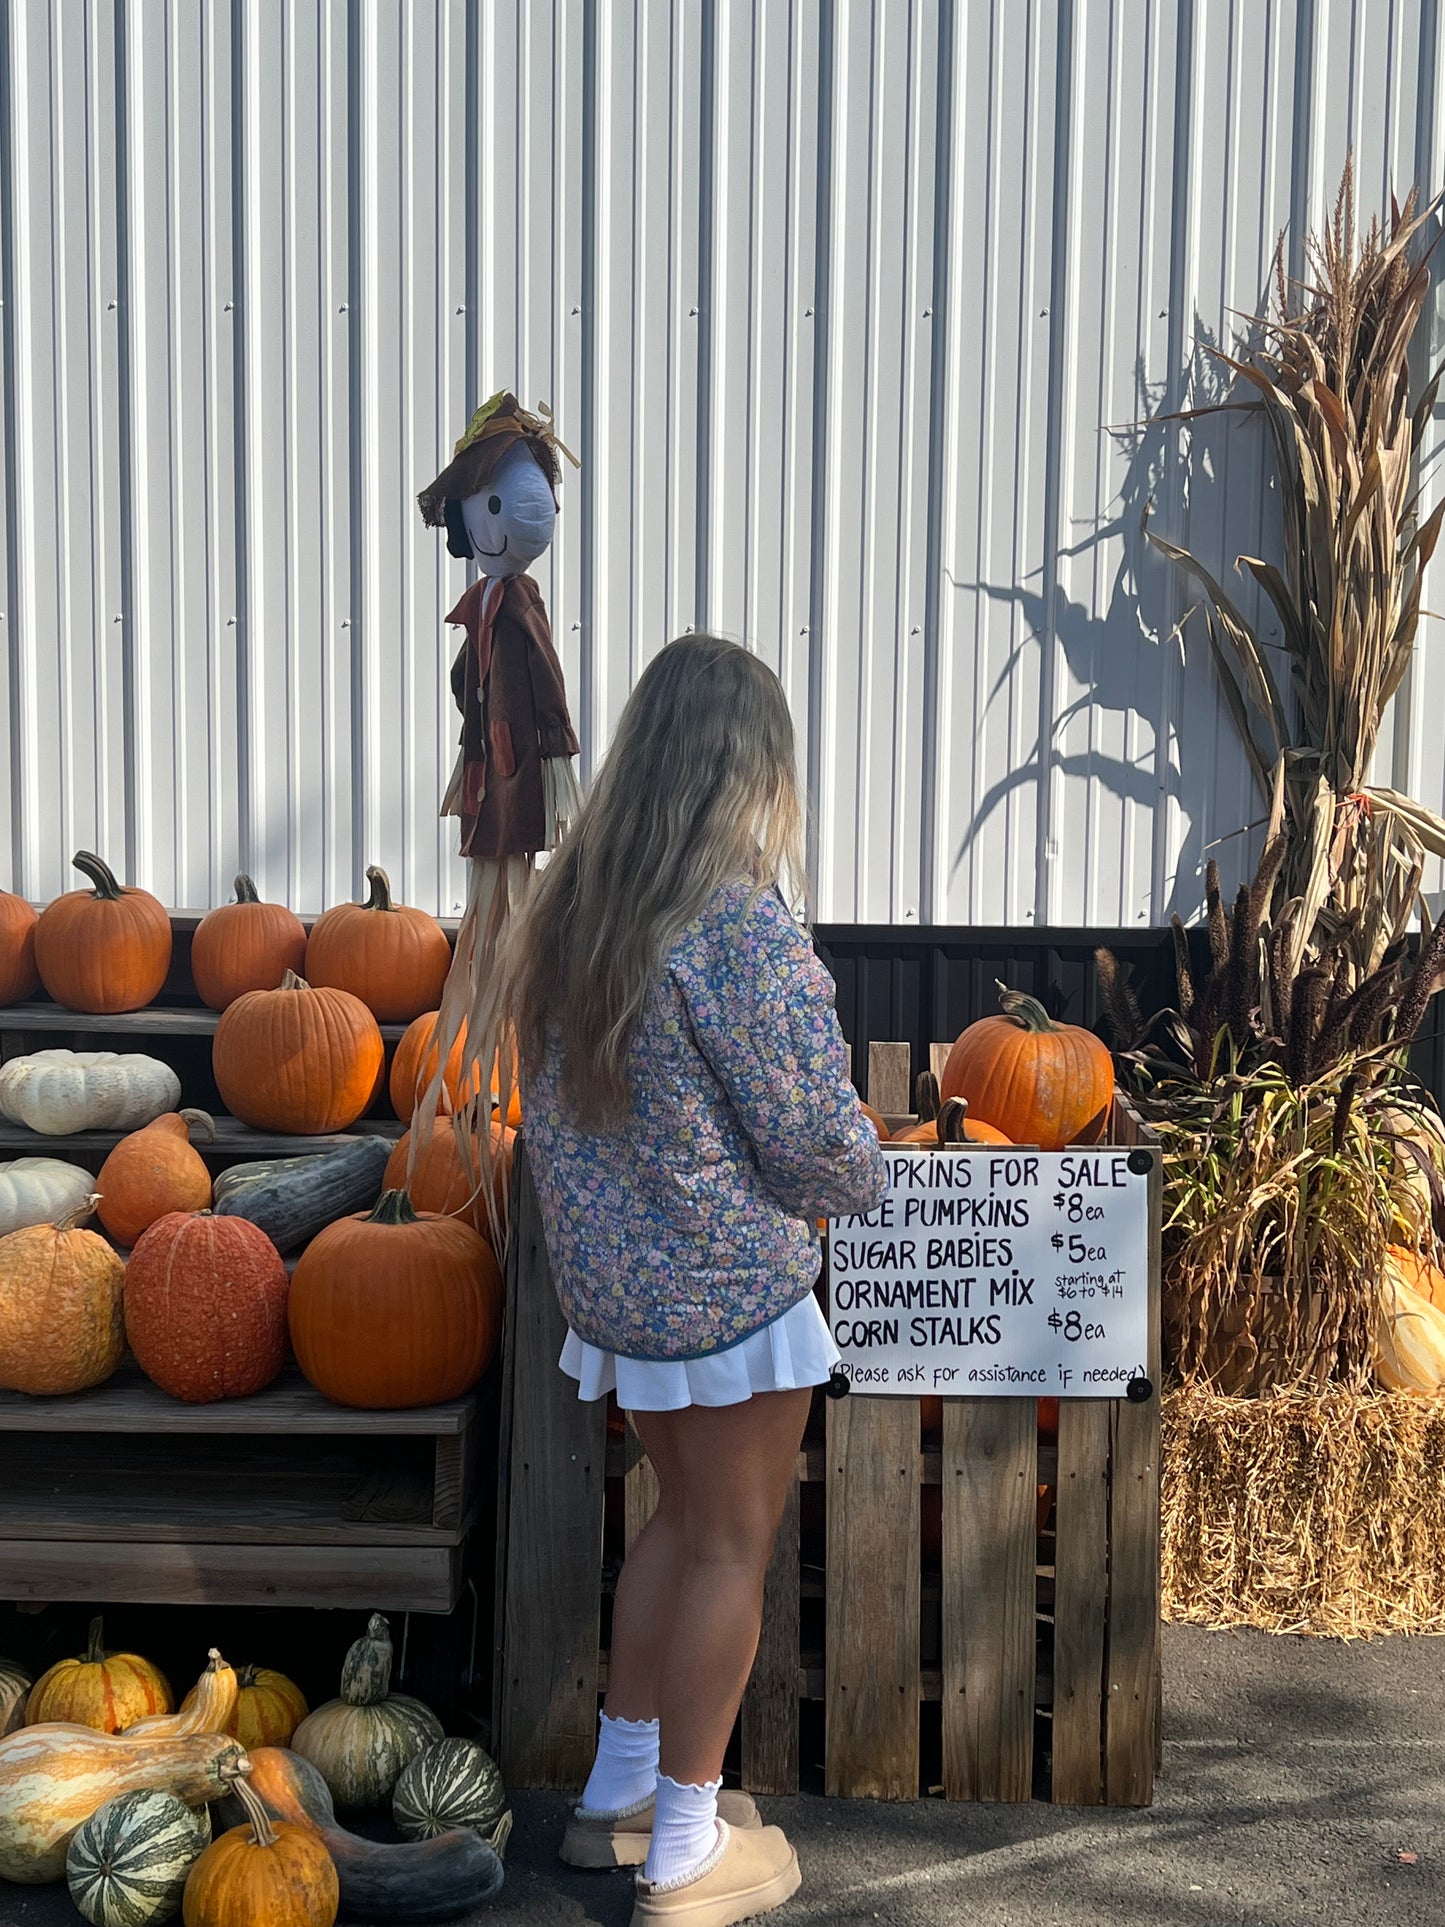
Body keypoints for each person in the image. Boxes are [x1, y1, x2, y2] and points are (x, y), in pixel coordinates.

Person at [503, 634, 887, 1925]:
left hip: (618, 1297)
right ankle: (682, 1851)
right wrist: (870, 1172)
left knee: (673, 1522)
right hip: (726, 1293)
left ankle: (619, 1797)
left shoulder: (569, 915)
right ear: (751, 771)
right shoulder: (735, 924)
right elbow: (811, 1139)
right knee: (729, 1541)